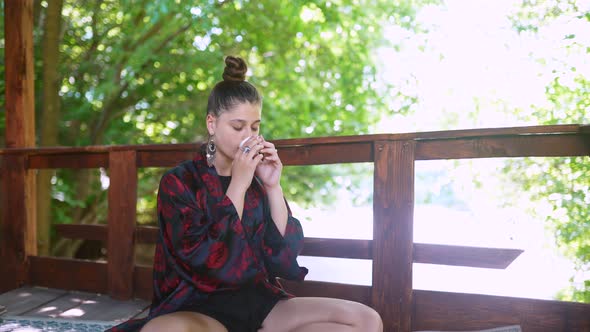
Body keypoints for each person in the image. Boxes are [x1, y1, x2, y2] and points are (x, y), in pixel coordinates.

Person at [107, 56, 383, 332]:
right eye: (238, 127)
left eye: (255, 127)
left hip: (256, 300)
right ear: (212, 124)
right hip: (198, 303)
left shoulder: (258, 182)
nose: (248, 137)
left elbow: (282, 257)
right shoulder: (179, 182)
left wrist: (273, 186)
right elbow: (209, 261)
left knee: (367, 321)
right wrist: (238, 183)